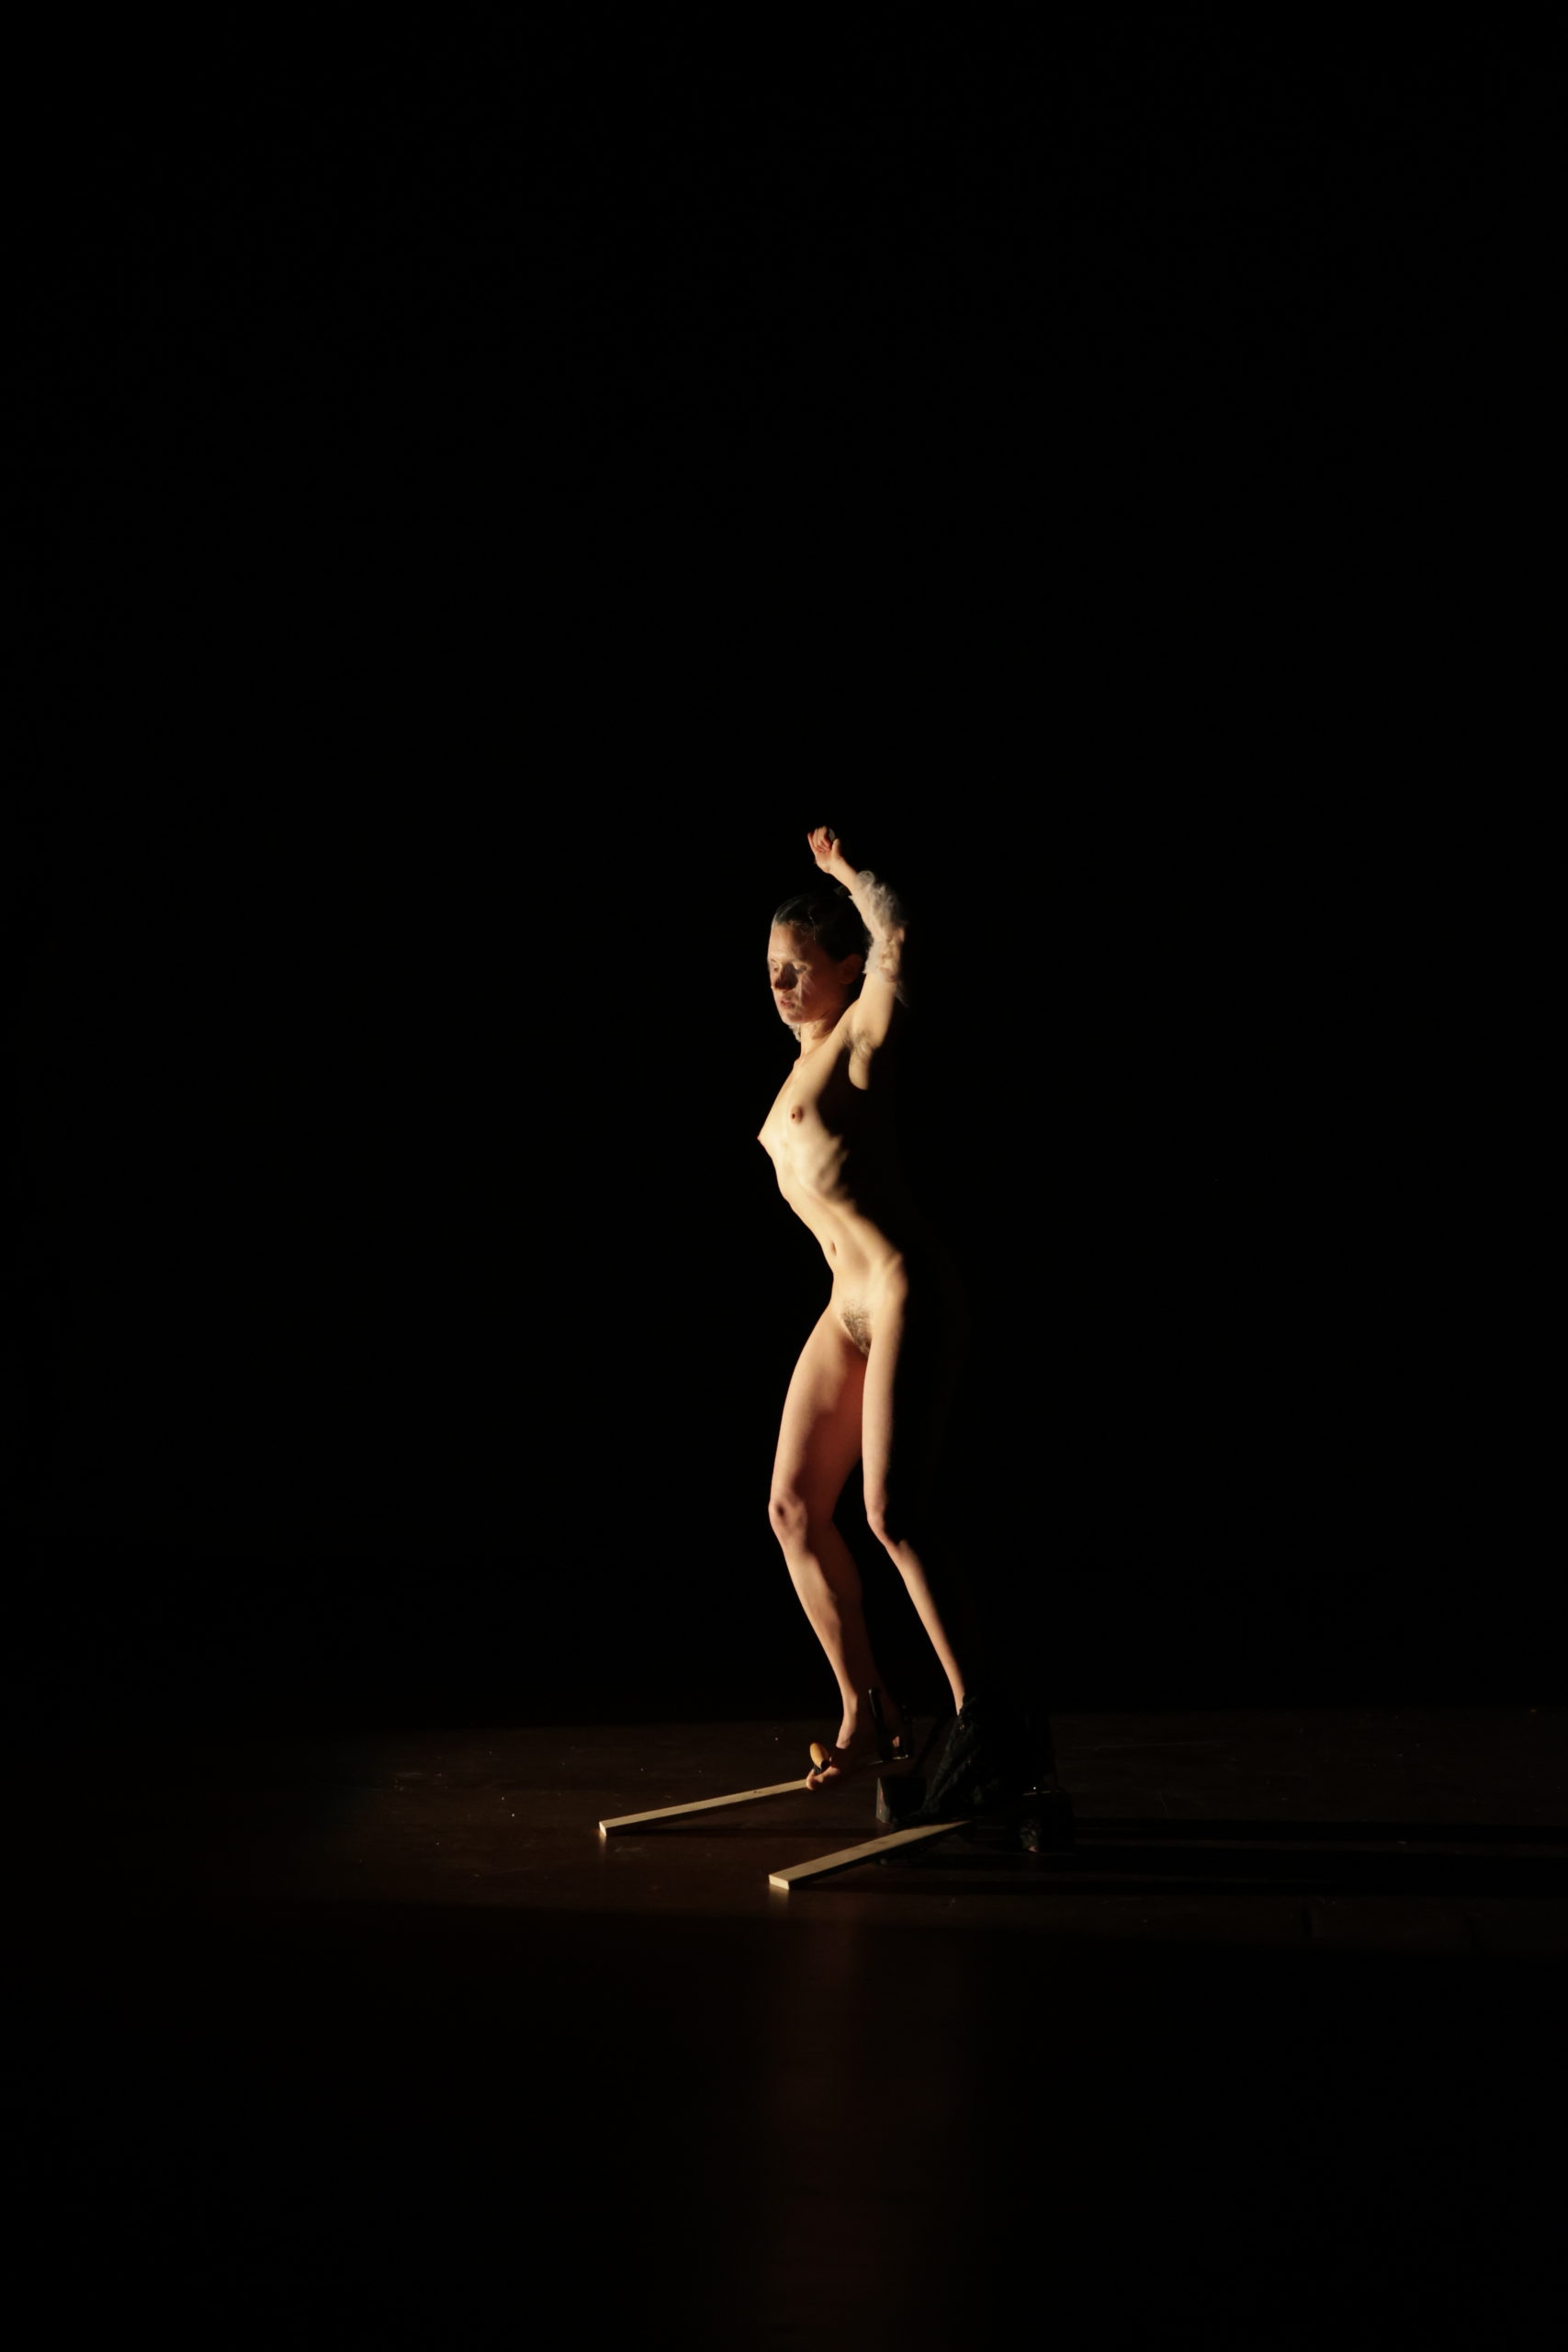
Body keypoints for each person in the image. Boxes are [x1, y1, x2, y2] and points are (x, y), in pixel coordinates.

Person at [761, 825, 1046, 1817]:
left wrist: (847, 875)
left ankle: (984, 1720)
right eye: (771, 967)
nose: (780, 983)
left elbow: (897, 937)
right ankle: (870, 1708)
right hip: (843, 1306)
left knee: (893, 1514)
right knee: (794, 1510)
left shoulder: (859, 1039)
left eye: (799, 966)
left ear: (844, 970)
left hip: (901, 1289)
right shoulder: (797, 1067)